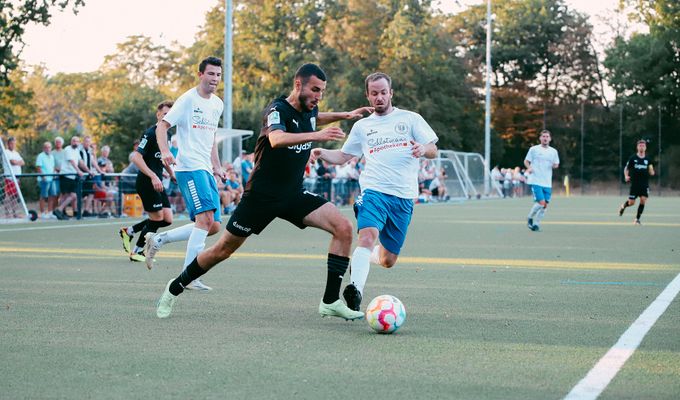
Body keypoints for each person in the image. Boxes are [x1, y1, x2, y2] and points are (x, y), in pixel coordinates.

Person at [155, 62, 372, 320]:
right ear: (298, 84)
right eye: (315, 90)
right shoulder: (276, 110)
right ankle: (174, 287)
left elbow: (317, 116)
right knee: (222, 250)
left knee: (344, 228)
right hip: (260, 197)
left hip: (293, 195)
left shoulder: (309, 111)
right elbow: (276, 139)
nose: (319, 96)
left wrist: (345, 115)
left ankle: (330, 301)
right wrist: (318, 134)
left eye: (322, 91)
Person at [311, 71, 439, 311]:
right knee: (367, 235)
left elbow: (433, 149)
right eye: (374, 93)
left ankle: (368, 256)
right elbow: (345, 155)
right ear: (368, 96)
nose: (379, 97)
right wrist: (322, 153)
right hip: (373, 191)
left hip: (403, 197)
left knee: (388, 260)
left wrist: (423, 149)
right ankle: (355, 290)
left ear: (391, 93)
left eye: (383, 92)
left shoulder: (411, 119)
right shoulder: (362, 126)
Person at [145, 56, 227, 291]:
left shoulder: (217, 104)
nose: (214, 79)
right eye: (210, 74)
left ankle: (159, 239)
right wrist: (164, 152)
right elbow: (162, 126)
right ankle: (188, 276)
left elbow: (211, 138)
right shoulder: (187, 99)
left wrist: (218, 166)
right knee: (205, 220)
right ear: (200, 74)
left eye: (218, 75)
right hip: (189, 166)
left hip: (205, 168)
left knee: (213, 226)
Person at [119, 101, 176, 262]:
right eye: (165, 114)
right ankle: (137, 252)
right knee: (157, 218)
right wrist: (153, 176)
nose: (167, 117)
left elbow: (164, 158)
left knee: (167, 219)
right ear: (158, 114)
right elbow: (136, 158)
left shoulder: (168, 134)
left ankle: (130, 230)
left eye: (170, 115)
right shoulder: (150, 133)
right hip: (147, 182)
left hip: (157, 181)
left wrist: (171, 173)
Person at [524, 130, 560, 231]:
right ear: (540, 138)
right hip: (536, 181)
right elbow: (526, 161)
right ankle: (530, 217)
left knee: (545, 206)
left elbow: (556, 164)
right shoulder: (534, 149)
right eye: (543, 136)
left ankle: (536, 224)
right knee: (541, 203)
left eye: (547, 136)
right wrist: (529, 167)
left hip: (547, 183)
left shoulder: (553, 151)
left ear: (550, 139)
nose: (545, 138)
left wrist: (555, 165)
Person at [619, 139, 654, 225]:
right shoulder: (633, 158)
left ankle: (637, 219)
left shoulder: (648, 159)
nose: (641, 147)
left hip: (644, 184)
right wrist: (626, 176)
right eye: (640, 145)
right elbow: (626, 168)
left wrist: (652, 171)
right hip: (635, 184)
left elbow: (651, 169)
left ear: (645, 148)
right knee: (631, 203)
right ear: (637, 147)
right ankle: (623, 206)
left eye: (643, 145)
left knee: (643, 200)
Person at [53, 136, 85, 220]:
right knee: (72, 195)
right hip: (66, 175)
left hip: (72, 176)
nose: (75, 143)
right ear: (71, 142)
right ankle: (59, 210)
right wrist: (78, 171)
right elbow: (72, 162)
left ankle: (60, 212)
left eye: (77, 141)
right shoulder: (68, 149)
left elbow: (80, 162)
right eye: (74, 141)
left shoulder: (77, 150)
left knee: (66, 196)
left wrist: (89, 171)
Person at [35, 141, 58, 219]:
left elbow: (53, 167)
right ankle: (42, 213)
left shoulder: (51, 156)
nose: (48, 149)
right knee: (43, 196)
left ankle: (50, 212)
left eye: (49, 147)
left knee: (52, 195)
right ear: (43, 148)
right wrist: (43, 176)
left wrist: (54, 173)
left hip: (52, 179)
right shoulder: (40, 156)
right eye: (46, 147)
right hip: (44, 180)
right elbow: (38, 167)